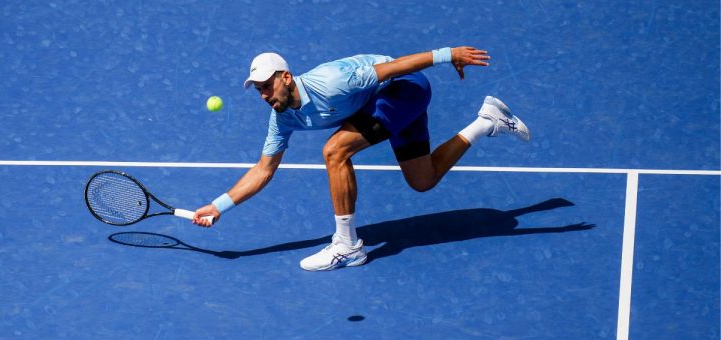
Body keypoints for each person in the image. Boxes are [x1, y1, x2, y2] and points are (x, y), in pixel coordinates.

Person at [193, 46, 530, 271]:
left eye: (267, 86)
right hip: (382, 104)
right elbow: (264, 169)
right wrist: (218, 205)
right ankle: (487, 121)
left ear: (286, 77)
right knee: (423, 180)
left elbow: (395, 68)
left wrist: (448, 54)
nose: (264, 95)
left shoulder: (332, 83)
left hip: (404, 88)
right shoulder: (282, 119)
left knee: (335, 150)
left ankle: (347, 245)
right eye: (258, 90)